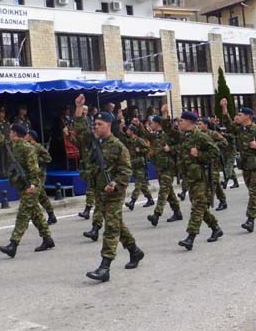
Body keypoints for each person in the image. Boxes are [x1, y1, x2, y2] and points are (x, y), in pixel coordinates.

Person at [73, 94, 144, 282]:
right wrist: (79, 108)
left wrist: (116, 184)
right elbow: (79, 131)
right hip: (98, 191)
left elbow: (126, 170)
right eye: (95, 124)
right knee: (116, 224)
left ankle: (105, 267)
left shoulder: (119, 147)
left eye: (100, 125)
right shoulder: (92, 141)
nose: (96, 127)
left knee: (111, 228)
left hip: (113, 193)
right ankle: (135, 251)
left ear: (109, 126)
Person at [0, 114, 55, 258]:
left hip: (31, 186)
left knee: (23, 215)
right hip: (23, 185)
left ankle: (13, 244)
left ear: (15, 134)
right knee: (35, 214)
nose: (9, 134)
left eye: (10, 131)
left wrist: (34, 185)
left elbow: (34, 168)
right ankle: (48, 239)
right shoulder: (13, 145)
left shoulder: (27, 147)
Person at [221, 100, 256, 232]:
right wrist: (224, 108)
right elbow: (228, 124)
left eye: (240, 114)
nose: (237, 117)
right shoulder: (240, 130)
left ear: (247, 117)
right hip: (245, 165)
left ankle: (250, 219)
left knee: (254, 192)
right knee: (255, 192)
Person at [175, 112, 223, 250]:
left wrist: (200, 154)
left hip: (201, 178)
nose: (179, 123)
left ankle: (190, 237)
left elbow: (215, 152)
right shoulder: (185, 137)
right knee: (199, 206)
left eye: (182, 120)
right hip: (190, 177)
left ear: (190, 122)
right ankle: (215, 227)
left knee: (197, 207)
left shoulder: (200, 136)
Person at [135, 105, 182, 227]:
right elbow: (145, 134)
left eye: (152, 123)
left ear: (158, 123)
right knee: (169, 191)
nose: (151, 124)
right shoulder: (156, 135)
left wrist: (170, 148)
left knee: (163, 191)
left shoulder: (169, 135)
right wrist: (138, 124)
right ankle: (177, 212)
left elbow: (181, 146)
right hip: (159, 167)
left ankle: (156, 214)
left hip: (168, 167)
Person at [25, 129, 57, 225]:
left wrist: (37, 159)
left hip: (40, 174)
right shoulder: (28, 146)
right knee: (41, 196)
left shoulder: (38, 147)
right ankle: (51, 215)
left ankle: (36, 219)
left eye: (27, 134)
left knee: (36, 196)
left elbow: (48, 158)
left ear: (31, 136)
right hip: (33, 174)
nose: (25, 136)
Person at [197, 117, 228, 211]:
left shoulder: (213, 133)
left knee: (212, 182)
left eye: (200, 124)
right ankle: (223, 201)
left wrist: (213, 146)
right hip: (205, 161)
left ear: (206, 125)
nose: (199, 126)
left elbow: (224, 142)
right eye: (198, 124)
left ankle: (207, 203)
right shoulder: (198, 135)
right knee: (215, 182)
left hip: (214, 162)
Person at [123, 125, 154, 210]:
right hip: (133, 165)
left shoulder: (139, 140)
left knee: (138, 184)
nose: (127, 132)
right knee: (143, 185)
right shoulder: (130, 141)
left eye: (129, 130)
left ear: (132, 131)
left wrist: (140, 150)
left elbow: (149, 149)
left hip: (140, 166)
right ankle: (150, 199)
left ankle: (132, 202)